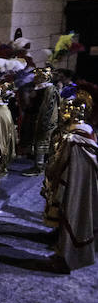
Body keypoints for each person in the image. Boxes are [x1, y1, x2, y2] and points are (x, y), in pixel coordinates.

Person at [41, 91, 97, 272]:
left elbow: (59, 165)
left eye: (67, 109)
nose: (63, 111)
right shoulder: (88, 132)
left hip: (71, 185)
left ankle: (65, 259)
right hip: (82, 185)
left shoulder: (73, 139)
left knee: (71, 216)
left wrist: (51, 173)